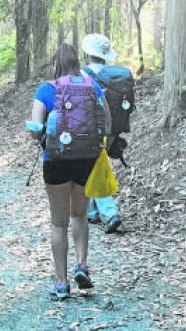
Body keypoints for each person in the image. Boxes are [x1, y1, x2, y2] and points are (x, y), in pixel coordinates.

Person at [29, 44, 110, 300]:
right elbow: (106, 121)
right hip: (86, 159)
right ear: (77, 63)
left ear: (56, 64)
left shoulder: (46, 89)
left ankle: (62, 283)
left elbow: (34, 129)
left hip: (55, 160)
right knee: (80, 215)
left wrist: (45, 134)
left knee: (58, 222)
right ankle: (82, 266)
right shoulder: (92, 87)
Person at [80, 33, 127, 234]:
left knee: (93, 169)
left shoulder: (83, 75)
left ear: (88, 53)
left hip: (89, 130)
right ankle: (92, 212)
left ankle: (110, 212)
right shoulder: (114, 75)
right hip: (110, 129)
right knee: (91, 168)